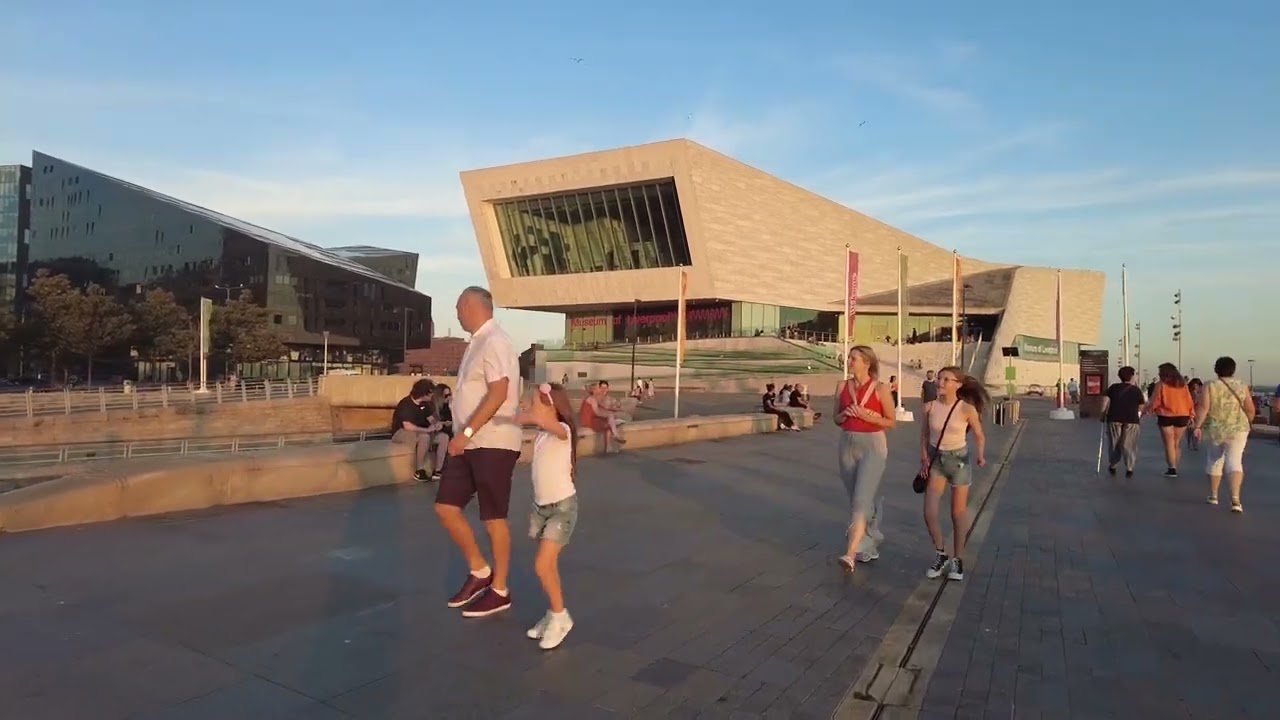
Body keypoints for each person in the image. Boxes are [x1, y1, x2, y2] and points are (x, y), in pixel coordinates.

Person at [435, 287, 523, 618]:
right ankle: (480, 570)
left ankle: (500, 590)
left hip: (493, 442)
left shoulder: (496, 341)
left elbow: (499, 392)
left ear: (472, 307)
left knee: (493, 517)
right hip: (467, 443)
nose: (456, 314)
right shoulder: (477, 343)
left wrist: (467, 432)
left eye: (459, 308)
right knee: (446, 507)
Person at [516, 382, 579, 649]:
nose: (530, 407)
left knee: (542, 565)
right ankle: (554, 613)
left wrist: (530, 415)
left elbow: (551, 425)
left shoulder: (562, 431)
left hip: (562, 509)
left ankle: (561, 616)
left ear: (551, 407)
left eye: (534, 403)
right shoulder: (542, 435)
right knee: (548, 566)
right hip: (542, 508)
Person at [919, 366, 988, 582]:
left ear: (958, 385)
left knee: (957, 513)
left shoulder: (966, 408)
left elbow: (979, 435)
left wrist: (981, 456)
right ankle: (941, 553)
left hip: (959, 462)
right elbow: (924, 435)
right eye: (939, 378)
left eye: (946, 379)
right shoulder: (929, 406)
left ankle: (958, 559)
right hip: (936, 461)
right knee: (929, 512)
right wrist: (924, 457)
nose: (940, 382)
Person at [834, 345, 897, 571]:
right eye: (849, 358)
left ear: (867, 363)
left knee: (861, 500)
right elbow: (836, 419)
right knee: (857, 498)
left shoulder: (880, 389)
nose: (849, 361)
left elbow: (891, 422)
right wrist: (845, 413)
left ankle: (851, 553)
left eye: (854, 358)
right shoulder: (842, 386)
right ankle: (870, 541)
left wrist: (871, 417)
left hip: (873, 444)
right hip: (847, 443)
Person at [1193, 356, 1256, 513]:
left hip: (1216, 428)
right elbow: (1250, 409)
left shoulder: (1210, 385)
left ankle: (1214, 495)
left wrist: (1197, 426)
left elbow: (1204, 407)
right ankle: (1235, 499)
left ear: (1216, 369)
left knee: (1214, 459)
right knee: (1235, 461)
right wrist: (1247, 423)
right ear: (1233, 369)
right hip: (1239, 428)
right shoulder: (1242, 385)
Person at [1144, 362, 1195, 477]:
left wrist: (1148, 411)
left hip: (1165, 415)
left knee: (1169, 443)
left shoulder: (1161, 385)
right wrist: (1191, 415)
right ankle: (1175, 466)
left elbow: (1155, 400)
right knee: (1177, 443)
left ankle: (1172, 469)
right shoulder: (1183, 385)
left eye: (1160, 373)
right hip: (1182, 415)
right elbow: (1189, 401)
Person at [390, 378, 445, 482]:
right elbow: (407, 426)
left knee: (443, 437)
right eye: (430, 393)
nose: (432, 395)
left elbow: (431, 419)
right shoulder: (406, 404)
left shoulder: (425, 404)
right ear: (423, 393)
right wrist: (427, 430)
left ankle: (438, 470)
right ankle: (419, 470)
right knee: (424, 437)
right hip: (401, 432)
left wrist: (436, 424)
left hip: (420, 431)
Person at [1099, 366, 1144, 478]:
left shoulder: (1113, 388)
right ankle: (1129, 467)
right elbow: (1141, 406)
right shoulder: (1136, 390)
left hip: (1114, 418)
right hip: (1132, 420)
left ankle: (1113, 464)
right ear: (1132, 376)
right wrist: (1139, 415)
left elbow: (1105, 402)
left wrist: (1102, 414)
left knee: (1114, 442)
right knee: (1129, 444)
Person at [579, 380, 627, 449]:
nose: (600, 390)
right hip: (590, 421)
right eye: (599, 388)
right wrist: (606, 414)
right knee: (610, 419)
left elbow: (603, 407)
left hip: (591, 419)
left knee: (610, 419)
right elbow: (597, 412)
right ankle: (615, 435)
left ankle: (610, 444)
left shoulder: (592, 398)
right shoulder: (592, 399)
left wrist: (614, 410)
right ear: (595, 390)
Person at [1186, 378, 1204, 450]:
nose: (1195, 389)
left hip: (1198, 412)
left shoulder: (1202, 392)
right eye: (1193, 387)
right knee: (1190, 428)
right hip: (1190, 411)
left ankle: (1195, 443)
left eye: (1197, 386)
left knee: (1197, 428)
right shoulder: (1188, 393)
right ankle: (1189, 441)